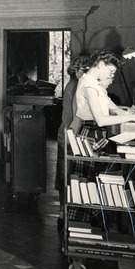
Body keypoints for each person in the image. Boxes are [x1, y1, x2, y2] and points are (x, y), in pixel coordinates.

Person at [55, 55, 90, 205]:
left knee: (65, 173)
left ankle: (65, 210)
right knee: (70, 174)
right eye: (85, 70)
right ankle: (68, 210)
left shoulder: (73, 82)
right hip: (71, 132)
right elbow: (78, 113)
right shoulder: (78, 84)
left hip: (66, 130)